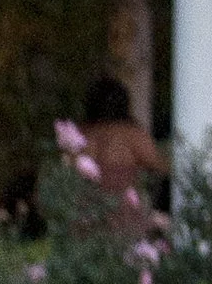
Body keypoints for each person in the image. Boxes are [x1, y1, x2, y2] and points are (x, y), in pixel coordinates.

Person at [72, 75, 167, 211]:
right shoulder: (132, 135)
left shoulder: (77, 134)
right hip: (122, 212)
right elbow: (159, 166)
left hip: (83, 211)